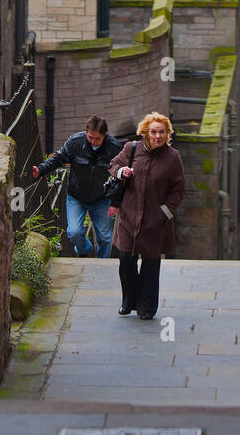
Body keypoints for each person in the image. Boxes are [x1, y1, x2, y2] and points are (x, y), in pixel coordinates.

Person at [108, 111, 185, 319]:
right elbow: (113, 165)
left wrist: (163, 214)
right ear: (146, 132)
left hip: (154, 221)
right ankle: (129, 301)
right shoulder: (131, 149)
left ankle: (147, 307)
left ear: (167, 133)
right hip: (128, 217)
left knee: (151, 264)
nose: (157, 136)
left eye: (161, 132)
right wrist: (121, 171)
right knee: (125, 259)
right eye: (153, 132)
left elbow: (178, 191)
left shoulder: (173, 158)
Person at [33, 115, 121, 258]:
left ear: (105, 135)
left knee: (105, 238)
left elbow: (121, 177)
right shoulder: (76, 142)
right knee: (73, 232)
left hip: (101, 198)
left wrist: (116, 202)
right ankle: (84, 250)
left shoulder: (115, 148)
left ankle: (102, 264)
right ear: (86, 133)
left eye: (97, 138)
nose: (93, 141)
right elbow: (58, 158)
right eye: (90, 137)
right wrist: (41, 169)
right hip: (77, 195)